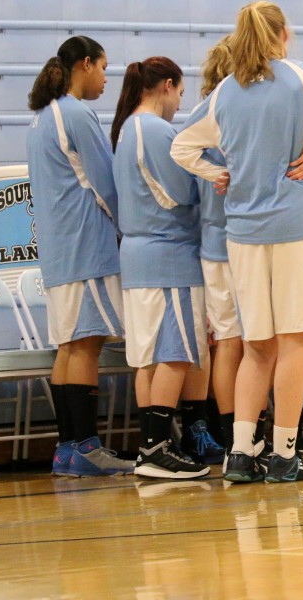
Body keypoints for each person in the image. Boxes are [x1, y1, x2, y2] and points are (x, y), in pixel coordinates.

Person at [171, 1, 303, 483]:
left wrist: (215, 173)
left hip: (243, 233)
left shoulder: (225, 91)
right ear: (283, 33)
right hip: (298, 225)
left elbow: (181, 145)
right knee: (295, 342)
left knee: (256, 347)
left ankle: (240, 454)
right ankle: (284, 455)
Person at [26, 35, 135, 477]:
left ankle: (68, 448)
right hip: (86, 246)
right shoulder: (76, 114)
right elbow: (106, 184)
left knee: (68, 347)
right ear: (85, 64)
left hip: (58, 251)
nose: (106, 78)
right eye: (104, 68)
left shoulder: (40, 118)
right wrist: (130, 229)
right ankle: (88, 447)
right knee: (87, 345)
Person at [110, 57, 210, 479]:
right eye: (180, 93)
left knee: (149, 359)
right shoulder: (155, 130)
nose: (179, 103)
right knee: (176, 352)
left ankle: (151, 446)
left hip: (138, 256)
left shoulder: (126, 129)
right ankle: (156, 450)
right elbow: (183, 191)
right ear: (167, 85)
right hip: (168, 254)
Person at [180, 36, 247, 467]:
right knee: (255, 344)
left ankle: (230, 438)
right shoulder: (239, 113)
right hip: (242, 241)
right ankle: (250, 434)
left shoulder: (196, 117)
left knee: (226, 344)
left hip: (209, 243)